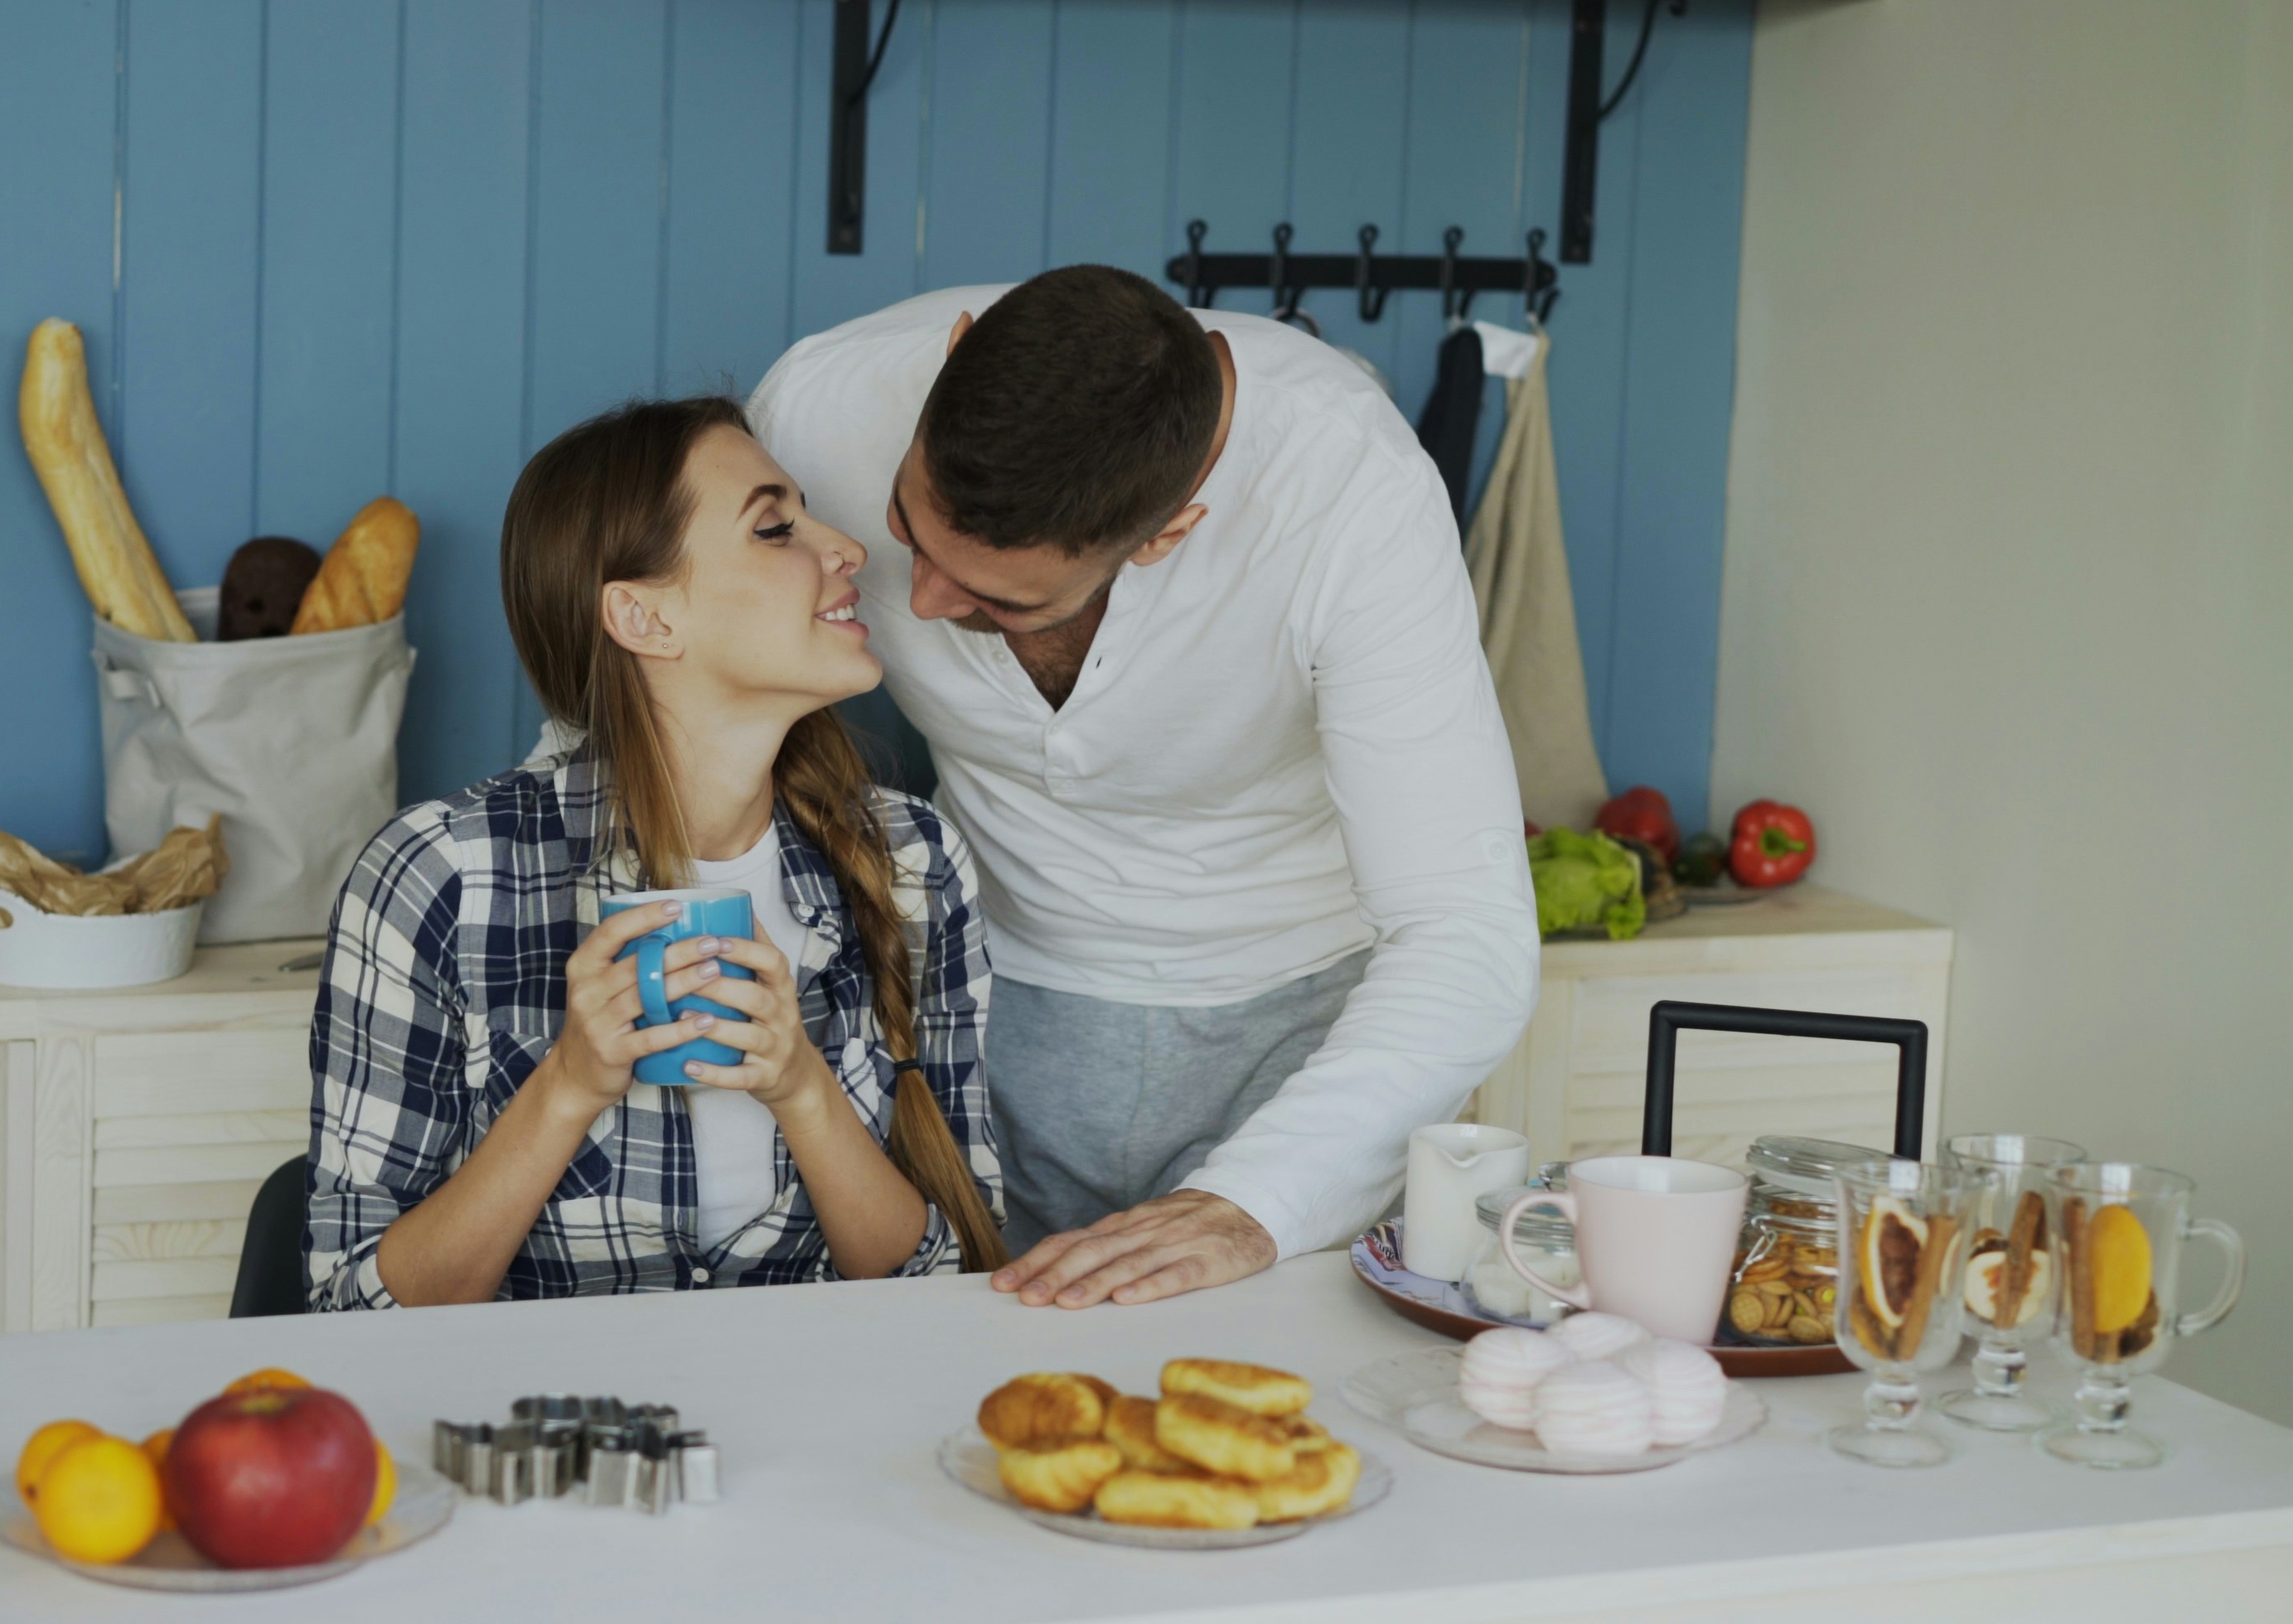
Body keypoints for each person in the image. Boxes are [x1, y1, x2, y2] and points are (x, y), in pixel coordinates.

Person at [747, 264, 1539, 1310]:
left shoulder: (1355, 489)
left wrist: (1257, 1199)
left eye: (998, 599)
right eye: (905, 522)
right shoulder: (817, 402)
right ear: (953, 354)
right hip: (977, 1009)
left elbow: (1467, 929)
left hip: (1304, 1037)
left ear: (1170, 531)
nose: (923, 602)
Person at [306, 397, 1004, 1307]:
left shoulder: (916, 860)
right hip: (535, 1433)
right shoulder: (439, 878)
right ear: (643, 619)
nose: (847, 549)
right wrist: (567, 1085)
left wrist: (803, 1089)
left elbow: (957, 1286)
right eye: (775, 526)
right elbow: (352, 1307)